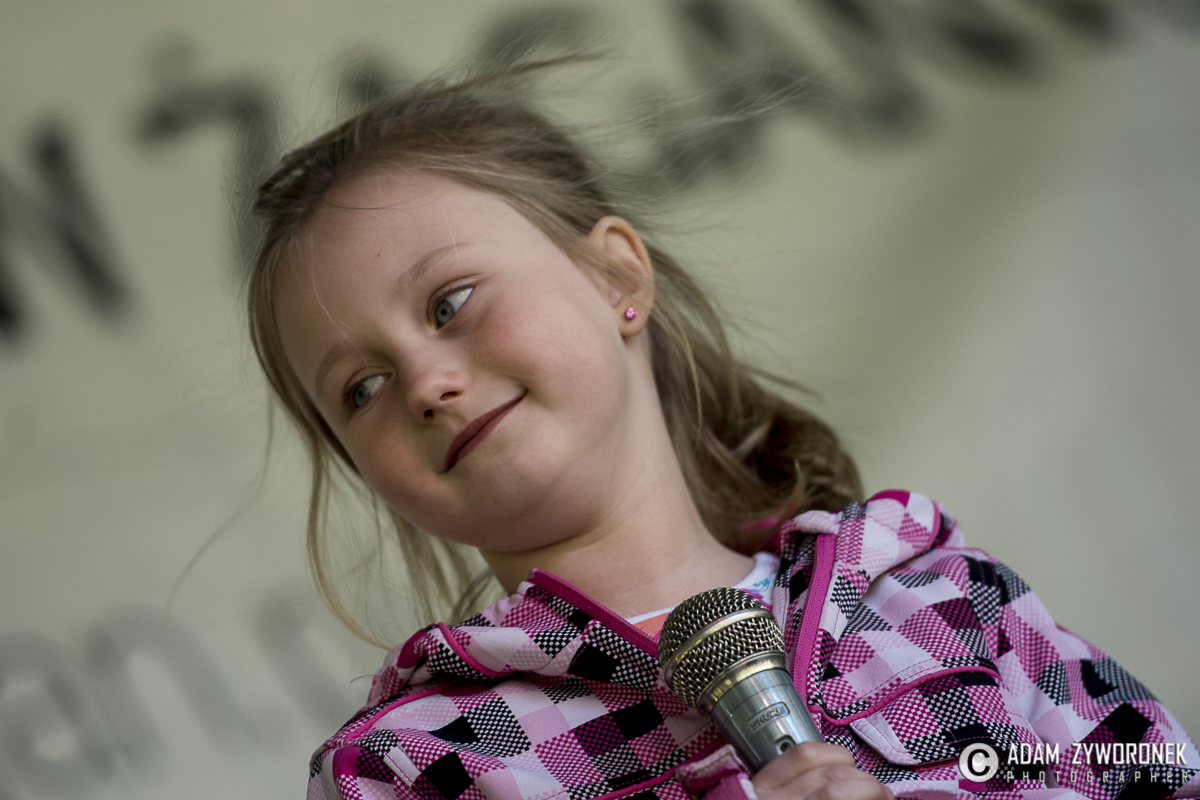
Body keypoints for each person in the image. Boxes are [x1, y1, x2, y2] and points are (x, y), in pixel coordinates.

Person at [246, 68, 1197, 800]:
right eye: (361, 388)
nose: (426, 384)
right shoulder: (412, 765)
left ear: (617, 279)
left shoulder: (942, 599)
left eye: (450, 303)